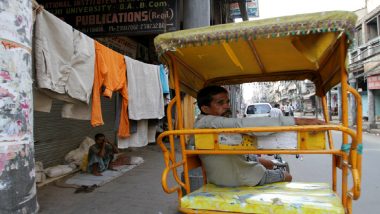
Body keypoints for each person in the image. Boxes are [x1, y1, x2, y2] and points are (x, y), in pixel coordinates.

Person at [195, 85, 325, 187]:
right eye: (220, 103)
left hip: (231, 166)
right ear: (205, 109)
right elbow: (242, 124)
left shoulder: (201, 123)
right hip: (241, 177)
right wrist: (297, 121)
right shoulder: (211, 122)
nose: (227, 106)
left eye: (227, 101)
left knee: (267, 162)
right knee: (286, 175)